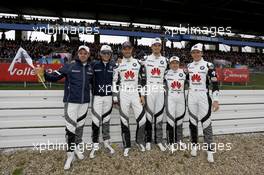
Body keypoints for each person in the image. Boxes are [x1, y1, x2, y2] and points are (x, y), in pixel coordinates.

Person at [35, 45, 93, 170]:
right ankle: (69, 156)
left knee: (79, 128)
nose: (83, 55)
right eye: (81, 53)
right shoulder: (69, 66)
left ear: (88, 55)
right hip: (71, 102)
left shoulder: (90, 68)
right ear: (78, 54)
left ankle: (77, 148)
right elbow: (54, 77)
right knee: (70, 129)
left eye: (85, 53)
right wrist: (43, 73)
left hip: (84, 103)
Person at [187, 43, 220, 163]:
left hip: (203, 96)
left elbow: (215, 84)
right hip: (191, 96)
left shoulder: (208, 65)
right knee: (192, 122)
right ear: (191, 54)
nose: (195, 54)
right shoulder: (188, 66)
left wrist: (216, 100)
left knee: (206, 123)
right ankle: (194, 145)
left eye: (198, 52)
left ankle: (210, 150)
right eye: (193, 52)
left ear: (202, 53)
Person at [112, 41, 146, 157]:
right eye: (124, 49)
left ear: (132, 49)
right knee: (124, 120)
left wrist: (142, 95)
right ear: (122, 50)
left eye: (129, 48)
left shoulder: (138, 63)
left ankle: (138, 141)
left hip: (136, 93)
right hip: (124, 94)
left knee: (142, 120)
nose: (127, 50)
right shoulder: (118, 65)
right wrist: (115, 98)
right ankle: (127, 145)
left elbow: (142, 81)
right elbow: (114, 82)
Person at [141, 38, 168, 151]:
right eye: (154, 45)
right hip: (150, 89)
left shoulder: (166, 60)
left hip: (160, 90)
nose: (157, 47)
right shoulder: (145, 59)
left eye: (159, 45)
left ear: (161, 47)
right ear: (151, 47)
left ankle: (159, 140)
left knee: (159, 116)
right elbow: (141, 78)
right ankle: (147, 140)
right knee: (148, 116)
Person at [89, 45, 115, 158]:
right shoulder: (94, 64)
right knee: (95, 121)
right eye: (104, 53)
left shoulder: (113, 66)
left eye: (108, 53)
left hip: (108, 97)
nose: (106, 55)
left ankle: (106, 141)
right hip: (97, 97)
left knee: (106, 120)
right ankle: (95, 144)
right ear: (100, 54)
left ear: (110, 55)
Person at [164, 56, 187, 151]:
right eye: (172, 63)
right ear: (169, 64)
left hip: (181, 98)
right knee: (170, 120)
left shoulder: (184, 73)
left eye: (176, 63)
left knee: (180, 119)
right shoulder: (165, 73)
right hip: (170, 98)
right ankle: (170, 142)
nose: (174, 64)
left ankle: (179, 140)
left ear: (179, 64)